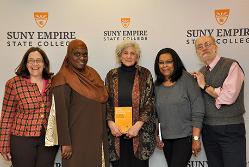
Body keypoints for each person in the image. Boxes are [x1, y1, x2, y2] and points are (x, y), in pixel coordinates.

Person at [52, 39, 109, 167]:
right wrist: (65, 142)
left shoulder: (92, 73)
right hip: (76, 139)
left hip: (97, 135)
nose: (82, 58)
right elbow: (61, 113)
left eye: (85, 54)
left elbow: (102, 98)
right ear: (68, 55)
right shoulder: (62, 78)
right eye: (77, 54)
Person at [193, 35, 246, 167]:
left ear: (215, 47)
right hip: (208, 130)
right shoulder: (201, 72)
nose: (204, 48)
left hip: (230, 129)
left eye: (207, 44)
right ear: (197, 53)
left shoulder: (231, 65)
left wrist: (205, 86)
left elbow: (229, 96)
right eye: (200, 47)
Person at [0, 47, 58, 167]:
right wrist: (4, 144)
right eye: (31, 60)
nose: (35, 64)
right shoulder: (14, 83)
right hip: (21, 139)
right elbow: (7, 116)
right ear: (26, 64)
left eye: (38, 60)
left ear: (44, 63)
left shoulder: (54, 82)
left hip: (48, 140)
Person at [105, 41, 156, 167]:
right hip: (116, 134)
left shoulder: (145, 74)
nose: (129, 56)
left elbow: (150, 101)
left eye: (132, 53)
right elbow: (106, 102)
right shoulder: (111, 75)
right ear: (119, 56)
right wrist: (111, 124)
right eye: (125, 53)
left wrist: (137, 126)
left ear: (137, 57)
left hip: (140, 133)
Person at [154, 48, 205, 167]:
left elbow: (198, 110)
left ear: (175, 63)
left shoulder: (187, 79)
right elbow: (156, 114)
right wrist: (156, 135)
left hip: (185, 137)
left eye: (169, 62)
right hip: (166, 139)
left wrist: (196, 138)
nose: (165, 65)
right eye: (161, 62)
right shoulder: (156, 85)